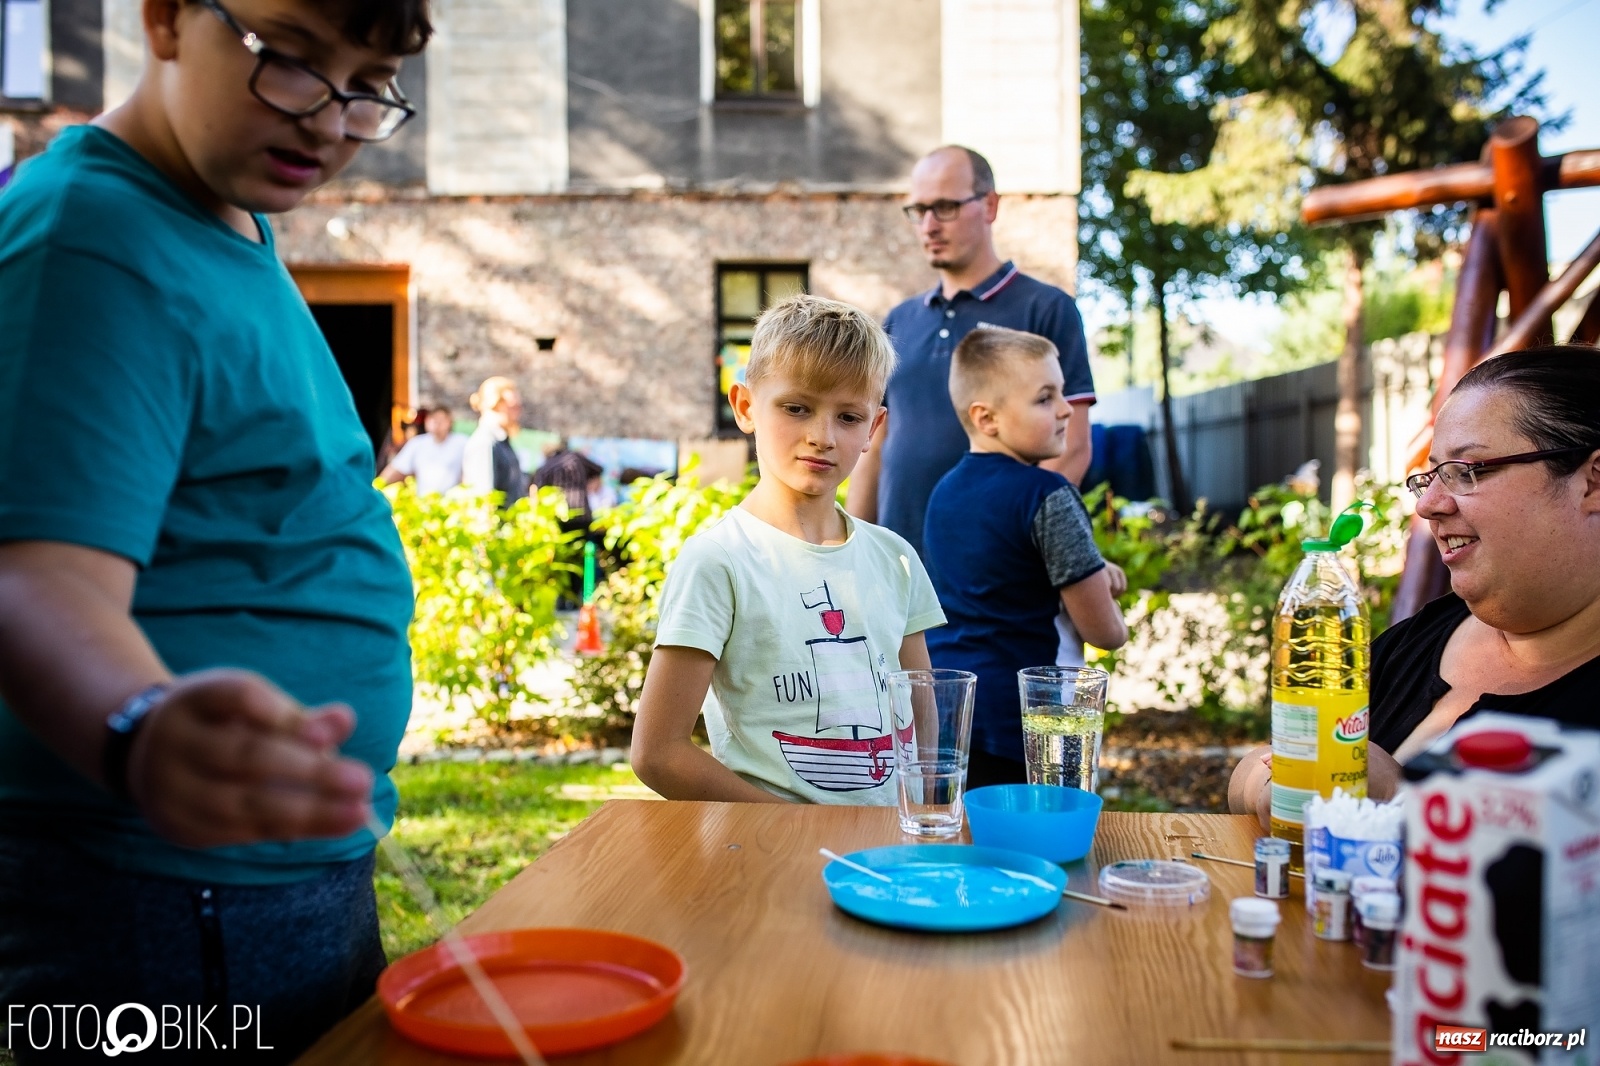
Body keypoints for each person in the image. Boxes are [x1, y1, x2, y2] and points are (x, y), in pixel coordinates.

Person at [0, 0, 430, 1059]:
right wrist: (139, 723)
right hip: (159, 899)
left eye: (368, 83)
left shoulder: (226, 221)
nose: (331, 121)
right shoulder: (90, 239)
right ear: (161, 17)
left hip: (272, 872)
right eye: (289, 61)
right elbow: (33, 574)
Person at [1230, 344, 1600, 825]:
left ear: (1592, 482)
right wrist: (1271, 783)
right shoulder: (1427, 636)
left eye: (1468, 471)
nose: (1429, 505)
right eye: (1433, 476)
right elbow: (1259, 765)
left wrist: (1403, 800)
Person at [631, 295, 945, 804]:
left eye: (848, 417)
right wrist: (792, 830)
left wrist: (925, 813)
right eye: (796, 408)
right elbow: (657, 753)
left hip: (890, 857)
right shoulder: (719, 561)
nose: (822, 436)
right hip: (767, 861)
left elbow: (920, 705)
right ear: (745, 407)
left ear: (875, 428)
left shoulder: (896, 558)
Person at [846, 144, 1098, 561]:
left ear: (990, 206)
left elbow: (1073, 446)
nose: (928, 225)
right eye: (918, 210)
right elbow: (875, 443)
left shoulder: (1045, 308)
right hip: (900, 566)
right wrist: (852, 549)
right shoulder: (898, 321)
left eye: (945, 207)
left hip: (993, 569)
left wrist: (1010, 542)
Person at [923, 327, 1129, 787]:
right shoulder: (1048, 494)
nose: (1064, 411)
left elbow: (997, 573)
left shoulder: (944, 493)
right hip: (1025, 722)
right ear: (987, 418)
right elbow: (1105, 632)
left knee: (959, 849)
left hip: (946, 712)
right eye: (1044, 398)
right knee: (1032, 850)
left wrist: (1088, 570)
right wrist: (1110, 601)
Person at [462, 375, 527, 505]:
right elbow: (484, 498)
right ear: (496, 405)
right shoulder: (485, 442)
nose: (518, 412)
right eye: (514, 406)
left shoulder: (501, 441)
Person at [381, 404, 466, 493]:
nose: (437, 423)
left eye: (441, 420)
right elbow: (396, 469)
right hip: (425, 501)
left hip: (453, 502)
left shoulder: (461, 443)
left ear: (450, 422)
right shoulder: (417, 443)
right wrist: (377, 488)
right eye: (434, 419)